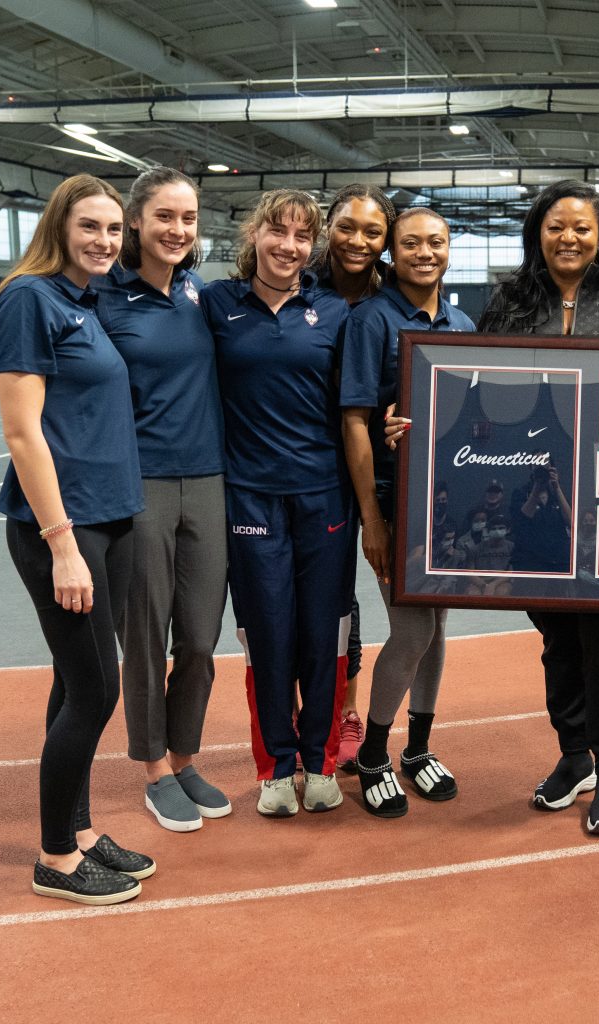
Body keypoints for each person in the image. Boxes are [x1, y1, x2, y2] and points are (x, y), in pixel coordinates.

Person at [391, 179, 599, 836]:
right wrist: (415, 424)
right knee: (556, 639)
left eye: (582, 228)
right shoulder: (508, 306)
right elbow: (468, 382)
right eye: (556, 226)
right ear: (538, 233)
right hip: (533, 510)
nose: (568, 238)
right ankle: (575, 755)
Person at [0, 173, 152, 905]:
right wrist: (62, 543)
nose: (104, 241)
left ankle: (81, 830)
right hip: (66, 527)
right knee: (96, 687)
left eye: (115, 230)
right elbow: (23, 433)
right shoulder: (29, 298)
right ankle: (55, 857)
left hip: (109, 519)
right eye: (91, 227)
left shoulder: (82, 301)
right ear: (59, 225)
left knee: (73, 681)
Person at [200, 189, 380, 818]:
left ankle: (321, 761)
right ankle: (276, 767)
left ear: (315, 246)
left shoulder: (335, 312)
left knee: (323, 636)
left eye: (303, 237)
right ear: (254, 235)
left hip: (324, 498)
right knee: (266, 634)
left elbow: (357, 407)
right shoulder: (216, 303)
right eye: (277, 232)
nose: (289, 246)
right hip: (249, 497)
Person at [95, 167, 231, 834]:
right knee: (145, 634)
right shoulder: (103, 299)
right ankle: (153, 766)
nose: (178, 230)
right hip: (141, 485)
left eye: (188, 218)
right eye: (165, 217)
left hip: (209, 482)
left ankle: (185, 756)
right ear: (137, 222)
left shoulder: (198, 294)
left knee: (201, 639)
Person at [341, 207, 475, 818]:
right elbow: (355, 423)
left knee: (439, 625)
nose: (425, 253)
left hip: (449, 503)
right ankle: (373, 754)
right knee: (413, 629)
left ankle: (418, 749)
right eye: (411, 243)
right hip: (398, 501)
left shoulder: (461, 320)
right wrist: (375, 519)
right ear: (391, 254)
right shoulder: (371, 320)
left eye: (437, 242)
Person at [315, 183, 398, 772]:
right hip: (308, 467)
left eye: (373, 232)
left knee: (352, 603)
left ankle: (347, 708)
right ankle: (306, 713)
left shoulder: (388, 299)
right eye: (347, 226)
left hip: (371, 467)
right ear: (329, 226)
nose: (359, 241)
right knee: (322, 598)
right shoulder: (297, 290)